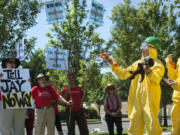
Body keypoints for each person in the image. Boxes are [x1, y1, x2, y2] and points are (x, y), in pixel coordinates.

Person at [101, 36, 165, 135]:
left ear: (153, 48)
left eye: (144, 46)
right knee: (134, 130)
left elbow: (156, 78)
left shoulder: (158, 64)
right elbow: (124, 74)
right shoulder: (137, 64)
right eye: (141, 46)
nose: (142, 48)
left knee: (152, 128)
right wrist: (113, 64)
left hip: (150, 103)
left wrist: (148, 70)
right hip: (136, 103)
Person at [0, 57, 26, 135]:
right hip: (4, 103)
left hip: (19, 104)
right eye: (10, 62)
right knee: (5, 129)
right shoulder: (0, 74)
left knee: (20, 129)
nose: (12, 64)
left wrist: (27, 81)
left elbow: (25, 90)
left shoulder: (22, 75)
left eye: (14, 62)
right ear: (5, 64)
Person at [164, 54, 180, 135]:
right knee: (175, 122)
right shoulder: (179, 60)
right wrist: (169, 64)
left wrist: (175, 84)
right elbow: (174, 77)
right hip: (177, 98)